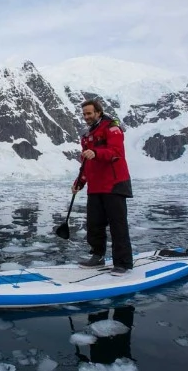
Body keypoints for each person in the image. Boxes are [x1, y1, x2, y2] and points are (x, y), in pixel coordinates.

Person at [71, 99, 133, 275]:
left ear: (98, 112)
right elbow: (87, 163)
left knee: (117, 225)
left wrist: (96, 152)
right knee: (94, 225)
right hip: (96, 187)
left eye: (89, 113)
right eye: (84, 114)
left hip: (114, 184)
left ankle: (123, 263)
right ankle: (97, 257)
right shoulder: (87, 135)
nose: (86, 117)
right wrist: (80, 182)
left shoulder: (112, 128)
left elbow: (116, 152)